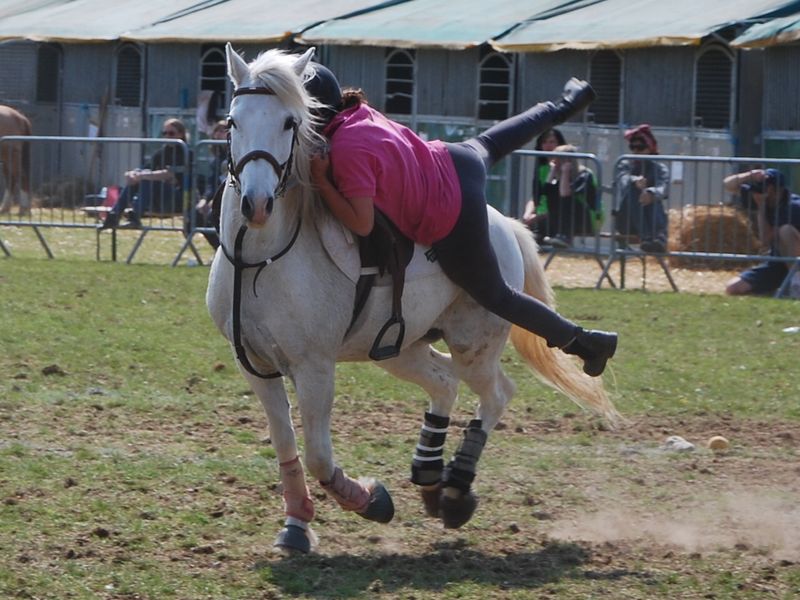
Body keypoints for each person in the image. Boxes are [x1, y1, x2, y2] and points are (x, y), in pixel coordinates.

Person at [307, 65, 618, 377]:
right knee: (494, 141)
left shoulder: (345, 148)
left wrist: (321, 180)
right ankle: (564, 104)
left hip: (451, 205)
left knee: (496, 295)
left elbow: (361, 224)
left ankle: (585, 342)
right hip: (453, 157)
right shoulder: (356, 112)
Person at [100, 118, 190, 229]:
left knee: (146, 178)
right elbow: (146, 168)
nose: (167, 136)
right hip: (158, 198)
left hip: (179, 199)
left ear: (181, 134)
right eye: (164, 133)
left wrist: (143, 175)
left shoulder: (186, 152)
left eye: (171, 133)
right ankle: (114, 216)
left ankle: (135, 216)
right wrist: (133, 174)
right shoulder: (162, 152)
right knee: (141, 177)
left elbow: (170, 174)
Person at [722, 168, 800, 296]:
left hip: (797, 261)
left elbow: (765, 239)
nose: (762, 188)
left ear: (778, 189)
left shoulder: (793, 206)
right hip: (778, 263)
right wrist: (750, 175)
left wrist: (761, 206)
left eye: (767, 186)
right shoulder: (759, 196)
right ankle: (780, 290)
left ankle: (797, 282)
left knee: (785, 231)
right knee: (733, 288)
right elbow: (727, 185)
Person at [528, 143, 601, 248]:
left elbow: (565, 194)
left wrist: (565, 172)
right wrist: (552, 172)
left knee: (568, 200)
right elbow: (546, 193)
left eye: (558, 159)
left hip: (586, 219)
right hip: (564, 220)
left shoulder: (585, 175)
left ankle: (565, 236)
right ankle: (540, 235)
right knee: (547, 208)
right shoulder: (558, 175)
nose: (555, 162)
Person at [614, 124, 669, 253]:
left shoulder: (659, 168)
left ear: (650, 148)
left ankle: (653, 237)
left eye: (641, 147)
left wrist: (651, 193)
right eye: (633, 147)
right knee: (633, 189)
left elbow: (663, 187)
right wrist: (634, 180)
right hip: (627, 221)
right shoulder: (624, 163)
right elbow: (622, 180)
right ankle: (651, 236)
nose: (636, 151)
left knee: (650, 194)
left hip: (652, 218)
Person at [186, 119, 228, 249]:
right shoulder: (216, 160)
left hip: (232, 197)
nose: (219, 134)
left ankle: (228, 252)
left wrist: (214, 200)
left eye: (224, 130)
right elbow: (211, 184)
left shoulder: (238, 155)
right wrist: (204, 200)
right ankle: (219, 250)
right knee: (194, 216)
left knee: (211, 216)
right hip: (217, 198)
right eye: (217, 131)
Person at [521, 128, 566, 245]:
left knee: (533, 233)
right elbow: (536, 196)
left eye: (552, 142)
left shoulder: (566, 169)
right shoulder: (541, 169)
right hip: (540, 215)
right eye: (544, 142)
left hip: (556, 217)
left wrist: (537, 217)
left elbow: (560, 201)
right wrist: (528, 214)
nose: (548, 146)